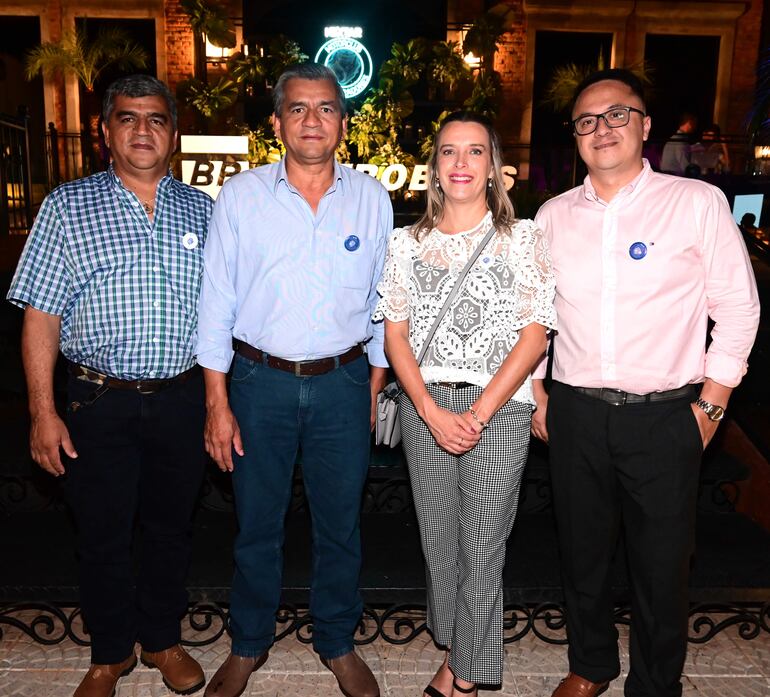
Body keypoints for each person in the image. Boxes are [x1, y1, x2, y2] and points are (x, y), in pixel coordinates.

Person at [531, 68, 760, 697]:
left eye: (616, 114)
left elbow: (738, 309)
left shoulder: (696, 203)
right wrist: (538, 392)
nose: (601, 128)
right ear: (574, 135)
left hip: (667, 416)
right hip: (575, 413)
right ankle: (591, 665)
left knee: (662, 568)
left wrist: (711, 407)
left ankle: (656, 684)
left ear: (645, 126)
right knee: (582, 555)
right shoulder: (552, 217)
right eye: (587, 119)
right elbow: (532, 318)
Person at [7, 75, 213, 697]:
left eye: (155, 119)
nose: (143, 130)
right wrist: (43, 412)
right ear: (105, 133)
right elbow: (39, 316)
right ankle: (108, 653)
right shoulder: (66, 208)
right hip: (97, 401)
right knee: (100, 532)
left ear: (174, 134)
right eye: (128, 118)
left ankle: (162, 639)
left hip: (182, 397)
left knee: (171, 529)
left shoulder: (206, 211)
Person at [196, 63, 392, 697]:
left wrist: (373, 383)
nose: (313, 120)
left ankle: (336, 642)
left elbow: (387, 301)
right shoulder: (240, 197)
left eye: (327, 108)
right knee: (257, 522)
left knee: (341, 523)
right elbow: (216, 301)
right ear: (277, 122)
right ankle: (249, 643)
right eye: (299, 109)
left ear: (342, 120)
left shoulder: (372, 197)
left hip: (343, 382)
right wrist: (217, 403)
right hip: (259, 383)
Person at [375, 111, 556, 697]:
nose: (460, 163)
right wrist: (427, 408)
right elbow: (394, 335)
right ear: (434, 167)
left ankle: (463, 675)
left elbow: (536, 333)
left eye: (474, 151)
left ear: (494, 167)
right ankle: (460, 651)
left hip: (500, 405)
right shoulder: (406, 243)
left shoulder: (521, 237)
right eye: (449, 151)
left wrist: (478, 413)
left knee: (484, 538)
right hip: (425, 404)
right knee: (440, 540)